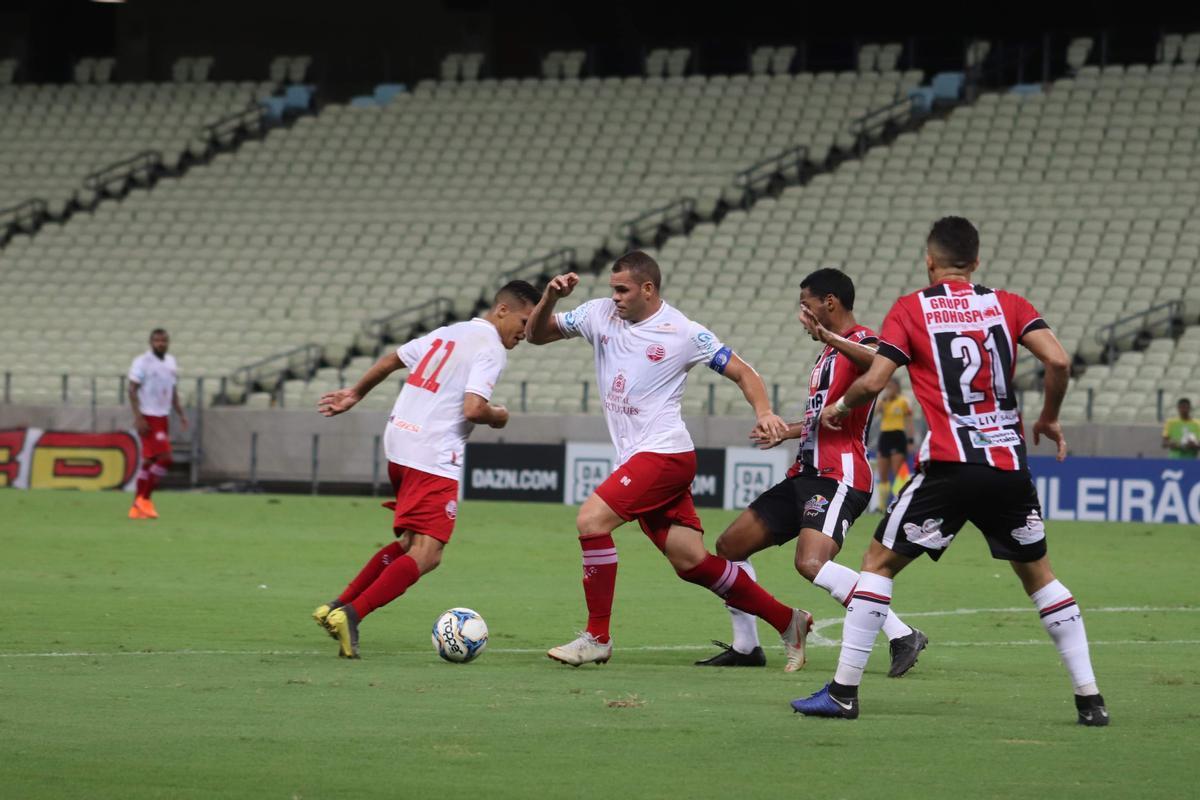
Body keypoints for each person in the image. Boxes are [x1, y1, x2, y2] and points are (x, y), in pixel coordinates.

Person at [791, 217, 1108, 726]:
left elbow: (874, 379)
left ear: (929, 261)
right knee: (1040, 577)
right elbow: (1060, 361)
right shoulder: (1010, 304)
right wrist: (1048, 417)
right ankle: (1090, 698)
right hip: (1007, 464)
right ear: (976, 262)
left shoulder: (911, 308)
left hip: (950, 466)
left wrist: (839, 406)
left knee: (876, 565)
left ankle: (843, 692)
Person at [524, 251, 814, 671]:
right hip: (641, 457)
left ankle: (597, 637)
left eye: (622, 290)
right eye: (612, 288)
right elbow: (536, 335)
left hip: (664, 453)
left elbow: (743, 372)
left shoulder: (682, 332)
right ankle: (789, 620)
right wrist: (550, 297)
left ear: (648, 289)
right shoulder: (598, 314)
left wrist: (765, 412)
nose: (615, 297)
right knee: (691, 561)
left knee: (591, 521)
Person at [694, 269, 927, 677]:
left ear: (830, 302)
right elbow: (828, 418)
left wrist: (829, 336)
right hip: (804, 474)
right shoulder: (827, 356)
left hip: (840, 475)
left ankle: (901, 633)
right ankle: (747, 647)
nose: (802, 312)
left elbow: (879, 368)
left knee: (811, 563)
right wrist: (787, 430)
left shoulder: (862, 341)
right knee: (730, 546)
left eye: (807, 302)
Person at [312, 281, 540, 659]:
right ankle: (352, 615)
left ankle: (337, 606)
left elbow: (391, 360)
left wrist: (355, 393)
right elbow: (473, 409)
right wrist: (498, 417)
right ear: (502, 310)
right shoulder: (492, 349)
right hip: (432, 454)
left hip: (399, 443)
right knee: (428, 554)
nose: (527, 332)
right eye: (525, 320)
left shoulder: (447, 333)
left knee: (409, 545)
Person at [127, 328, 187, 520]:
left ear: (168, 342)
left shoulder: (171, 361)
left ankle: (136, 508)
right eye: (157, 341)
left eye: (164, 340)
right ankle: (145, 499)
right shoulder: (142, 362)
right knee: (166, 458)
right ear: (150, 342)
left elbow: (172, 389)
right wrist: (138, 417)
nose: (161, 343)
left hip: (163, 416)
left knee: (149, 462)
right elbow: (132, 390)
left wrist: (180, 412)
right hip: (148, 417)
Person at [874, 378, 915, 509]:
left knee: (897, 472)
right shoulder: (883, 401)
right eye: (887, 387)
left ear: (897, 387)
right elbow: (875, 414)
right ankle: (881, 507)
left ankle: (899, 503)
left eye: (891, 386)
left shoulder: (903, 401)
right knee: (883, 473)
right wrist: (884, 399)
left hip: (898, 436)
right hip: (885, 436)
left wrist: (910, 440)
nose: (889, 389)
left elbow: (909, 421)